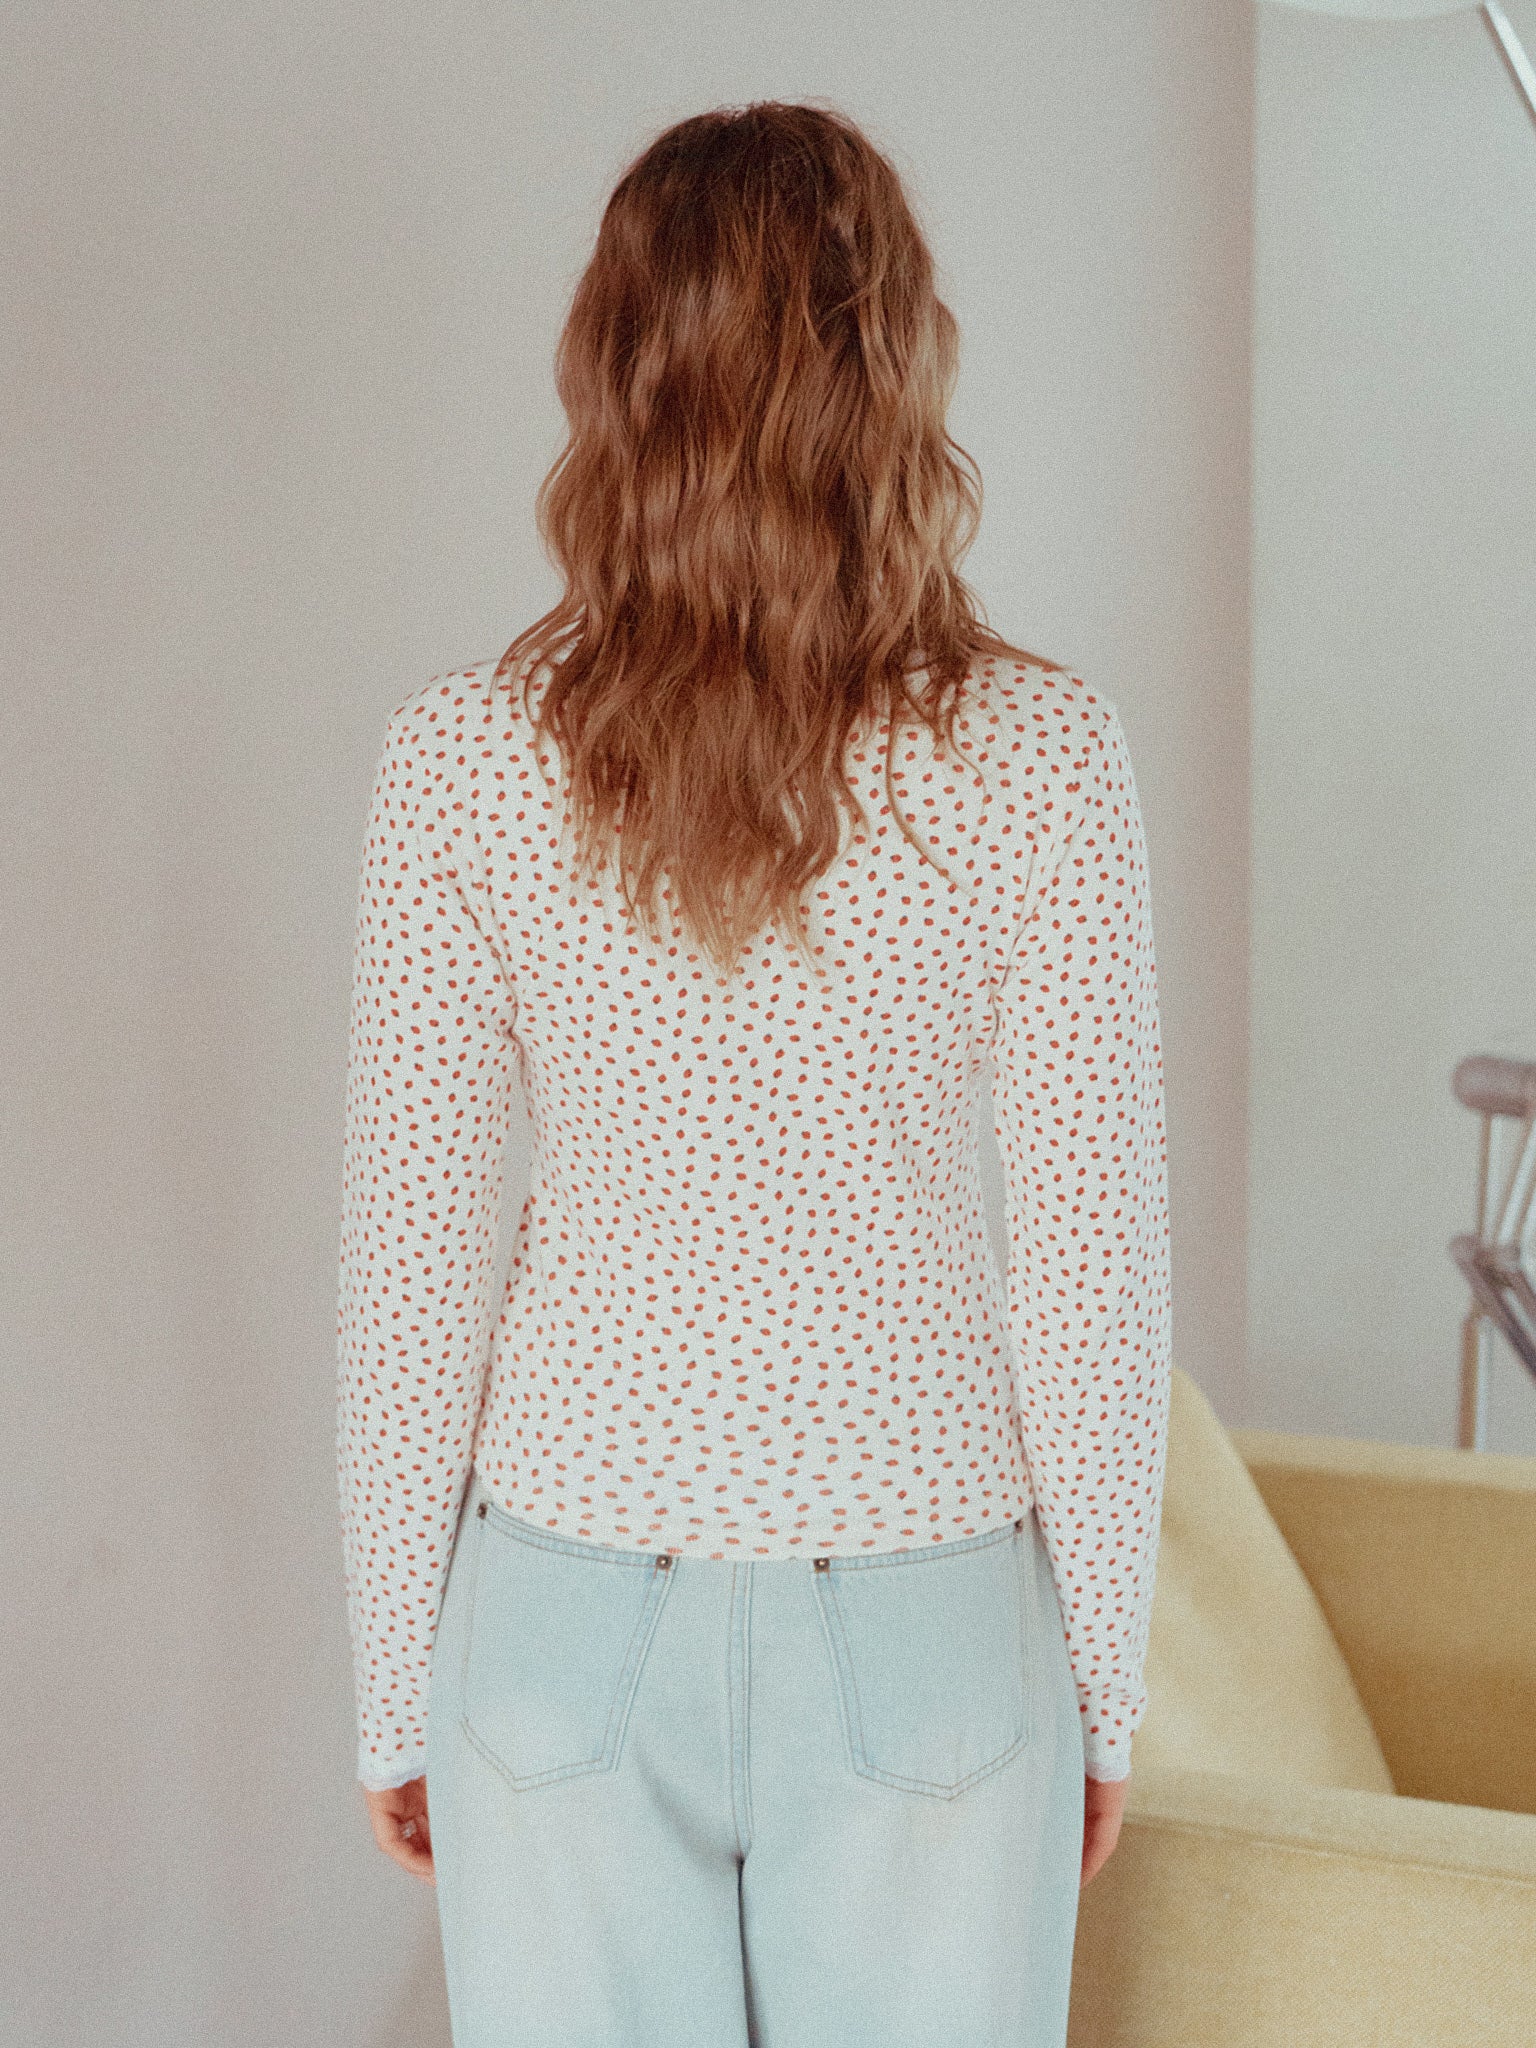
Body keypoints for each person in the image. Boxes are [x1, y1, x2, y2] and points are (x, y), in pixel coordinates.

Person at [336, 98, 1172, 2048]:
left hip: (558, 1617)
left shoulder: (463, 756)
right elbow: (1092, 1273)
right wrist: (1104, 1694)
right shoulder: (1044, 754)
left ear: (612, 373)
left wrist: (391, 1688)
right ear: (898, 363)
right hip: (929, 1611)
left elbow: (410, 1267)